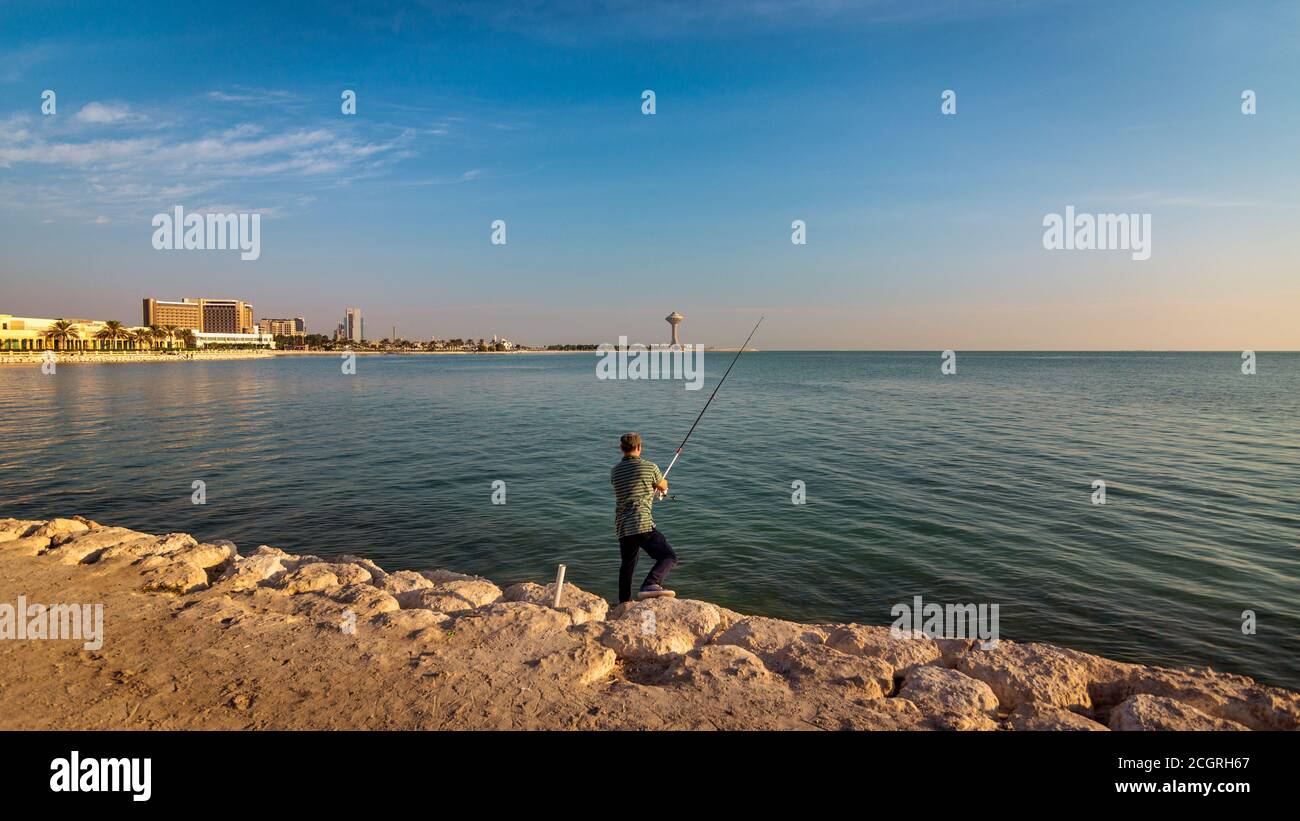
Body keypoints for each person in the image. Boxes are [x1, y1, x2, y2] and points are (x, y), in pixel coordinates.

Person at [610, 432, 677, 602]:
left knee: (627, 565)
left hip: (623, 526)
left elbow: (631, 488)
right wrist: (660, 488)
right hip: (641, 522)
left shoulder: (615, 471)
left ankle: (624, 602)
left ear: (621, 448)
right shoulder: (649, 467)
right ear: (639, 447)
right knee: (668, 556)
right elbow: (663, 485)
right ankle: (651, 583)